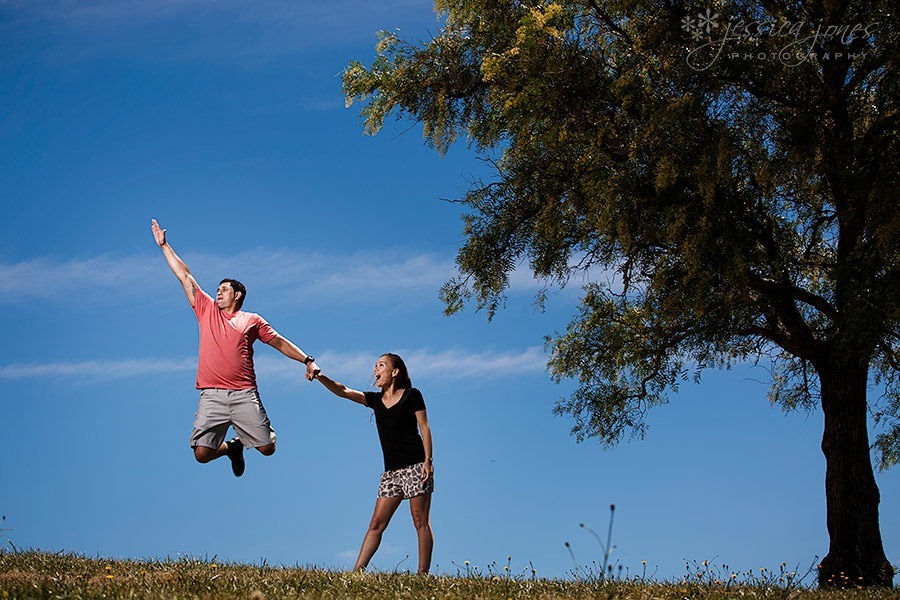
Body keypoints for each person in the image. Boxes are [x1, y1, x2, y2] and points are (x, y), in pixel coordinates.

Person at [151, 218, 320, 477]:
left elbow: (280, 342)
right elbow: (184, 275)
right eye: (217, 289)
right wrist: (164, 246)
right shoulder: (206, 310)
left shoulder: (251, 320)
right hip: (212, 395)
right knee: (202, 454)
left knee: (267, 447)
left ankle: (242, 442)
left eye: (224, 289)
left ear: (237, 295)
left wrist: (307, 360)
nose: (218, 293)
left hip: (243, 393)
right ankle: (232, 448)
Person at [315, 354, 434, 573]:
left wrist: (428, 460)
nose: (375, 370)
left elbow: (424, 428)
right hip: (391, 472)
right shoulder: (375, 401)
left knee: (419, 520)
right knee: (376, 524)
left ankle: (422, 575)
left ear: (394, 372)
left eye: (381, 365)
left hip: (416, 465)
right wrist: (320, 376)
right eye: (375, 366)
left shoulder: (412, 395)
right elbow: (343, 391)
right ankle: (357, 572)